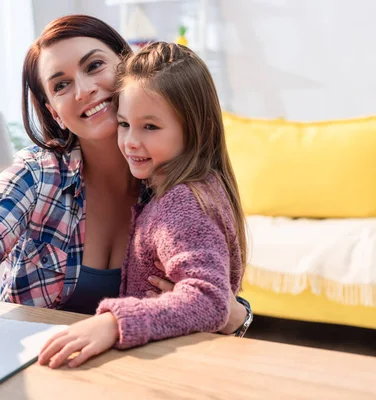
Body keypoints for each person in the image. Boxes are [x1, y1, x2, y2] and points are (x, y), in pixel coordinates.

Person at [0, 15, 250, 333]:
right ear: (54, 111)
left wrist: (234, 315)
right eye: (61, 85)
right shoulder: (36, 175)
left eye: (94, 66)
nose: (85, 90)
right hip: (32, 365)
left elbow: (213, 294)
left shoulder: (175, 183)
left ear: (127, 67)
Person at [38, 41, 248, 369]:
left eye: (150, 126)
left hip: (173, 371)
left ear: (195, 128)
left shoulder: (182, 203)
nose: (130, 142)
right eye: (124, 124)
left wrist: (112, 323)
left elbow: (210, 299)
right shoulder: (185, 187)